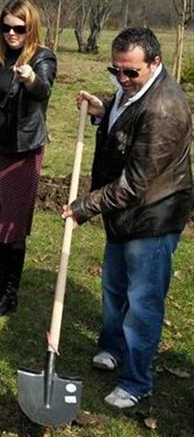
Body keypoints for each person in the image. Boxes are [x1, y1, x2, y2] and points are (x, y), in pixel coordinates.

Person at [63, 28, 193, 410]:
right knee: (114, 287)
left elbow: (135, 183)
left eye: (130, 73)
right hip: (124, 215)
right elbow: (127, 116)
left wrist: (85, 205)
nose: (122, 79)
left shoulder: (165, 109)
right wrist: (104, 109)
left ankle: (136, 382)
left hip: (152, 216)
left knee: (143, 302)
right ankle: (112, 347)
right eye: (115, 71)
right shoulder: (134, 89)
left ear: (155, 63)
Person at [0, 0, 57, 318]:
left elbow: (43, 88)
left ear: (30, 27)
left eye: (19, 28)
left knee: (13, 224)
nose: (11, 33)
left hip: (22, 152)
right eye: (6, 27)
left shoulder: (42, 57)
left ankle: (10, 293)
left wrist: (30, 78)